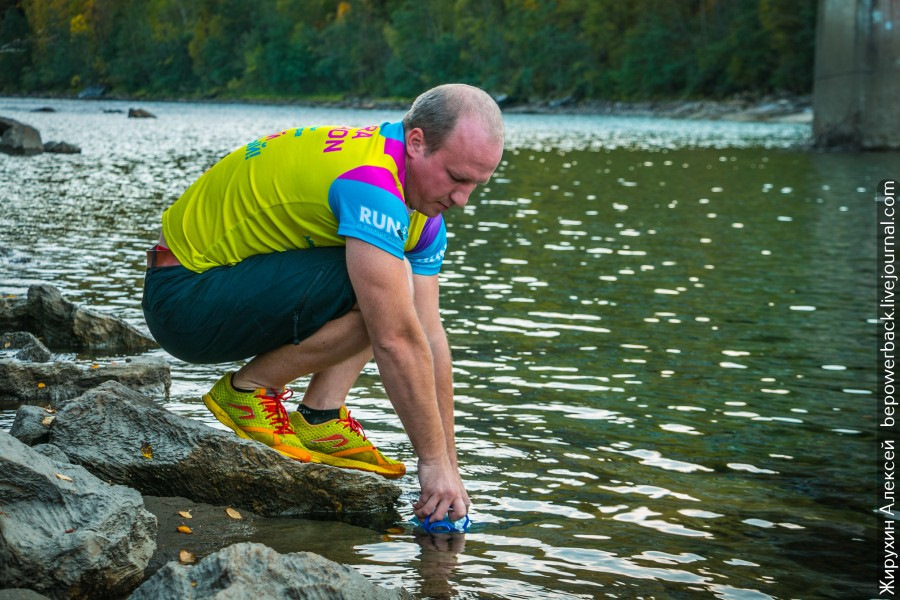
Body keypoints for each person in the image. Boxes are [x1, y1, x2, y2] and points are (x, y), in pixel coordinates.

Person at [141, 83, 504, 523]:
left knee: (392, 286)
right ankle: (249, 391)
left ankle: (319, 416)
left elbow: (429, 337)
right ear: (416, 142)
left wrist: (450, 466)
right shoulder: (371, 183)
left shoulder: (422, 215)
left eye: (476, 185)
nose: (462, 199)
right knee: (389, 291)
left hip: (224, 286)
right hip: (183, 298)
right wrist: (429, 464)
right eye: (456, 177)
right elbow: (395, 339)